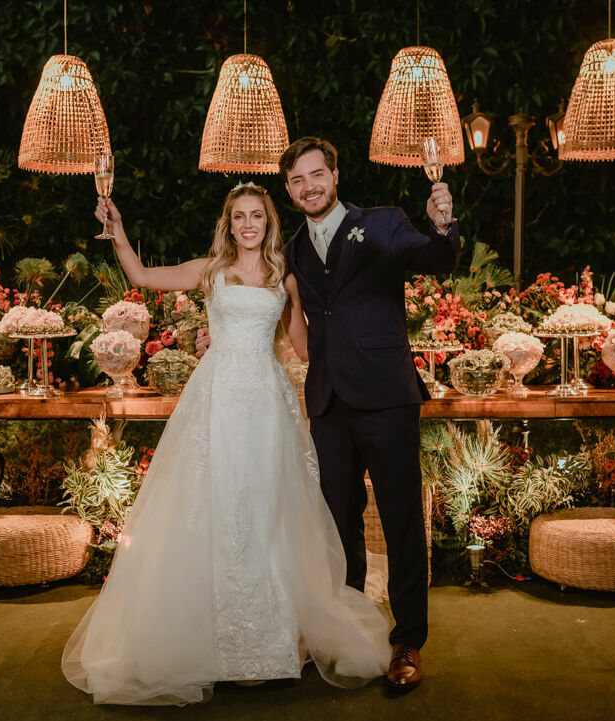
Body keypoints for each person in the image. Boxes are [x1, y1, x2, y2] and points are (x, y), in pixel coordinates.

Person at [61, 183, 391, 706]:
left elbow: (305, 345)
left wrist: (358, 336)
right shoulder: (210, 271)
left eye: (256, 215)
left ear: (268, 221)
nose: (248, 225)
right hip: (215, 404)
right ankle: (211, 644)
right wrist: (118, 231)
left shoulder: (287, 276)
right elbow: (144, 278)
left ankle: (268, 643)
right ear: (229, 224)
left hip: (268, 406)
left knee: (268, 513)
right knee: (211, 511)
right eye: (239, 217)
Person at [200, 137, 459, 691]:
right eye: (296, 180)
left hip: (387, 397)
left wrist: (441, 223)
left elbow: (436, 262)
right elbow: (281, 313)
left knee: (400, 521)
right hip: (328, 404)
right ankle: (349, 635)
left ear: (334, 174)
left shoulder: (384, 222)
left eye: (316, 175)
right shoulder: (288, 249)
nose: (308, 186)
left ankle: (407, 640)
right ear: (288, 190)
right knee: (337, 528)